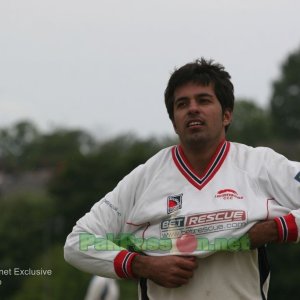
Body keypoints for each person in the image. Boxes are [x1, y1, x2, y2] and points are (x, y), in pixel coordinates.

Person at [64, 58, 300, 300]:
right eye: (182, 104)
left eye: (204, 100)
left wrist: (278, 228)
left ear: (227, 115)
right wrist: (142, 266)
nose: (192, 109)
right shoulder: (145, 178)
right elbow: (77, 243)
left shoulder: (260, 165)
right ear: (175, 122)